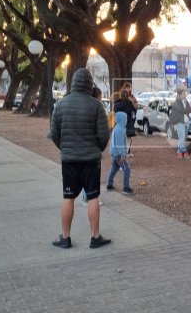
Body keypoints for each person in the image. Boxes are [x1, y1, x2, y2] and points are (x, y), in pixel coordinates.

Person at [50, 68, 111, 249]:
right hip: (91, 160)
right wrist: (96, 148)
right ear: (89, 84)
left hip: (69, 159)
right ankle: (95, 237)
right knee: (92, 197)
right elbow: (104, 134)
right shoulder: (96, 106)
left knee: (68, 197)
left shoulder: (61, 105)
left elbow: (54, 133)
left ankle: (65, 237)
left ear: (73, 83)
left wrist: (65, 148)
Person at [80, 87, 105, 207]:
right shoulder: (96, 108)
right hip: (92, 147)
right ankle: (90, 196)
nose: (101, 100)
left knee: (86, 173)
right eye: (100, 97)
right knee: (92, 175)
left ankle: (87, 195)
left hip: (83, 146)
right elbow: (102, 132)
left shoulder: (84, 107)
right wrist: (100, 146)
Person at [105, 111, 134, 195]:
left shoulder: (117, 127)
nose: (126, 120)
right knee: (127, 170)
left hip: (114, 153)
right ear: (122, 119)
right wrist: (123, 155)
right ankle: (126, 188)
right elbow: (119, 144)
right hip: (118, 154)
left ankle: (109, 185)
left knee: (114, 169)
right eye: (125, 118)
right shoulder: (120, 129)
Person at [114, 89, 137, 156]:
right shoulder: (129, 103)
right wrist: (133, 120)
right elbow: (134, 111)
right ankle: (126, 152)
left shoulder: (116, 103)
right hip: (128, 123)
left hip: (119, 124)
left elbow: (115, 113)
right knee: (128, 139)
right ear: (127, 95)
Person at [170, 88, 191, 158]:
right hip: (179, 122)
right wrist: (185, 110)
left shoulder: (186, 102)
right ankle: (184, 152)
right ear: (179, 95)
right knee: (182, 137)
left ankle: (179, 151)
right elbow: (181, 110)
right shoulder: (176, 102)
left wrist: (185, 110)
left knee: (183, 138)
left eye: (185, 94)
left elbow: (189, 109)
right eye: (183, 94)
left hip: (186, 122)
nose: (185, 95)